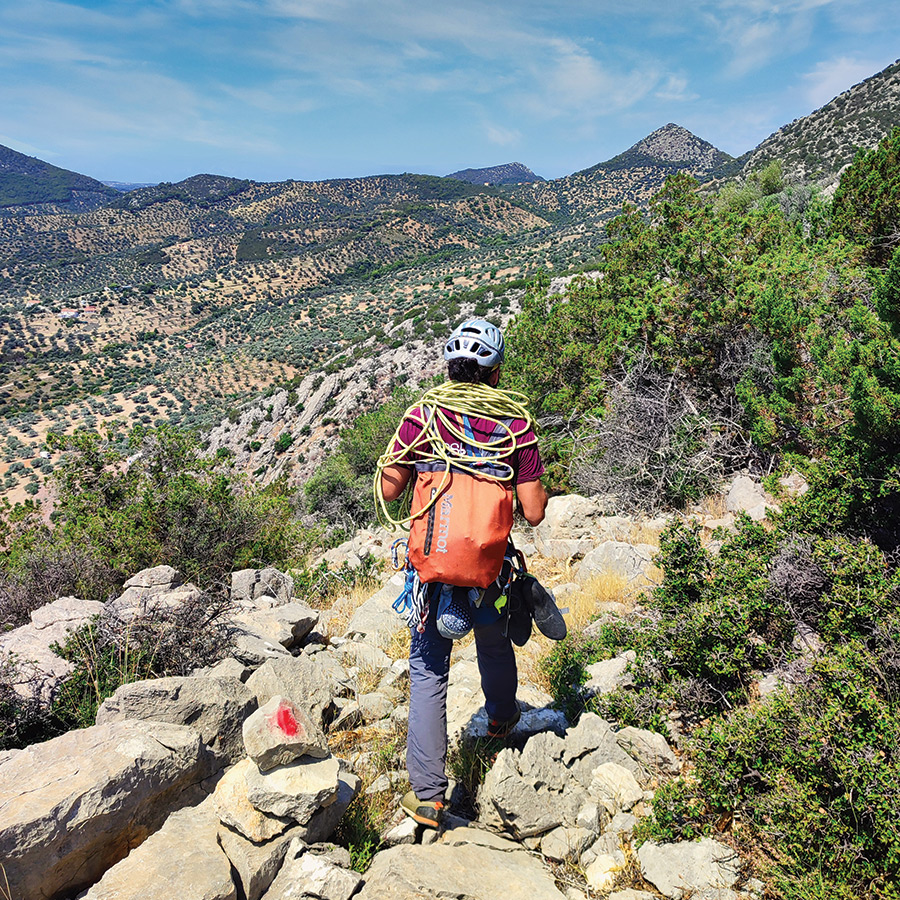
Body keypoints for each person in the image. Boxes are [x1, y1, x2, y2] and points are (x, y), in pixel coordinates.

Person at [378, 318, 548, 828]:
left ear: (449, 368)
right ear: (495, 373)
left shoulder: (422, 416)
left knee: (429, 669)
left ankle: (429, 796)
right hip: (488, 564)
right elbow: (534, 512)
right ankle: (499, 721)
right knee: (493, 644)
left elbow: (389, 489)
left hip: (432, 569)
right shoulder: (516, 425)